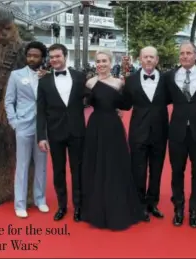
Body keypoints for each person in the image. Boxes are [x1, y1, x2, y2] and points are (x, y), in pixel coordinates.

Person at [81, 49, 144, 230]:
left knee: (114, 165)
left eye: (104, 61)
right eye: (98, 61)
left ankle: (117, 204)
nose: (101, 64)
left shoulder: (118, 83)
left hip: (114, 127)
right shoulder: (90, 83)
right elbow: (85, 103)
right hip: (95, 126)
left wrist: (124, 92)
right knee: (96, 164)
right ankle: (95, 207)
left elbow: (125, 105)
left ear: (111, 62)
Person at [0, 7, 36, 208]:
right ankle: (1, 190)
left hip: (20, 110)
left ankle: (28, 193)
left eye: (7, 29)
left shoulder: (25, 50)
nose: (4, 34)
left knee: (24, 153)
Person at [166, 41, 196, 228]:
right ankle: (178, 208)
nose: (185, 56)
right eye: (182, 53)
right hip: (177, 132)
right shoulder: (169, 76)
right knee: (177, 172)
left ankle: (194, 209)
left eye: (188, 53)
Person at [36, 44, 85, 222]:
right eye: (52, 57)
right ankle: (62, 206)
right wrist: (41, 136)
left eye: (58, 56)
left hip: (77, 131)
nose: (54, 60)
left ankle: (79, 206)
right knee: (58, 171)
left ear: (65, 56)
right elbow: (40, 110)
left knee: (78, 170)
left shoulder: (80, 77)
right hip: (55, 132)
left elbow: (92, 96)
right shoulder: (44, 82)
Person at [122, 46, 169, 221]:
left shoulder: (166, 80)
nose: (148, 60)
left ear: (157, 60)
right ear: (140, 59)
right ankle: (139, 204)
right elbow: (125, 104)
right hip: (138, 133)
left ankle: (152, 203)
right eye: (145, 57)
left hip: (160, 132)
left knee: (156, 170)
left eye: (152, 57)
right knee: (138, 171)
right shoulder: (131, 80)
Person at [5, 41, 49, 218]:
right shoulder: (16, 75)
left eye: (36, 56)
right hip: (23, 125)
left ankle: (40, 199)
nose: (32, 58)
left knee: (42, 165)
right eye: (29, 55)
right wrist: (14, 122)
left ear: (42, 58)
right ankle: (20, 203)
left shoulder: (47, 76)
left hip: (43, 126)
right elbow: (9, 101)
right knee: (22, 165)